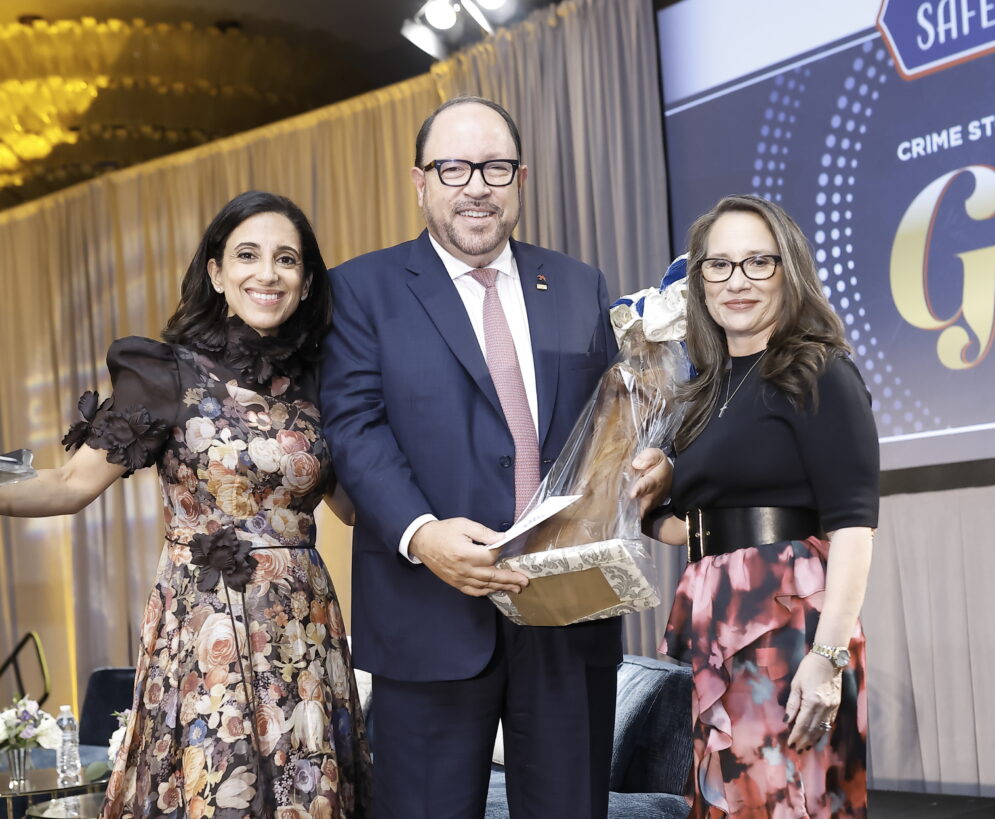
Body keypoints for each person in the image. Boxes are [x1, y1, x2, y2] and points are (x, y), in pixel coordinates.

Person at [320, 96, 671, 819]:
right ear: (420, 182)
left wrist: (652, 455)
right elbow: (353, 428)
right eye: (454, 168)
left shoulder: (578, 284)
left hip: (568, 616)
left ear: (521, 178)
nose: (476, 184)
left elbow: (616, 418)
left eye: (495, 167)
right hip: (428, 612)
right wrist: (421, 533)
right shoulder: (362, 290)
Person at [0, 191, 372, 818]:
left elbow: (354, 509)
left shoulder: (320, 380)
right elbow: (68, 487)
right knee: (219, 792)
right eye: (247, 255)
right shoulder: (167, 372)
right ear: (216, 274)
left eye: (287, 260)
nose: (267, 274)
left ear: (306, 283)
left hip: (302, 629)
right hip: (204, 627)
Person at [649, 195, 877, 817]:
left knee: (786, 803)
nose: (737, 281)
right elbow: (691, 527)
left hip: (791, 627)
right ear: (698, 281)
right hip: (711, 620)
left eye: (757, 263)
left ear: (789, 269)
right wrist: (643, 500)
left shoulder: (819, 369)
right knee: (727, 803)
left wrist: (827, 660)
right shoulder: (702, 391)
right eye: (718, 266)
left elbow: (855, 528)